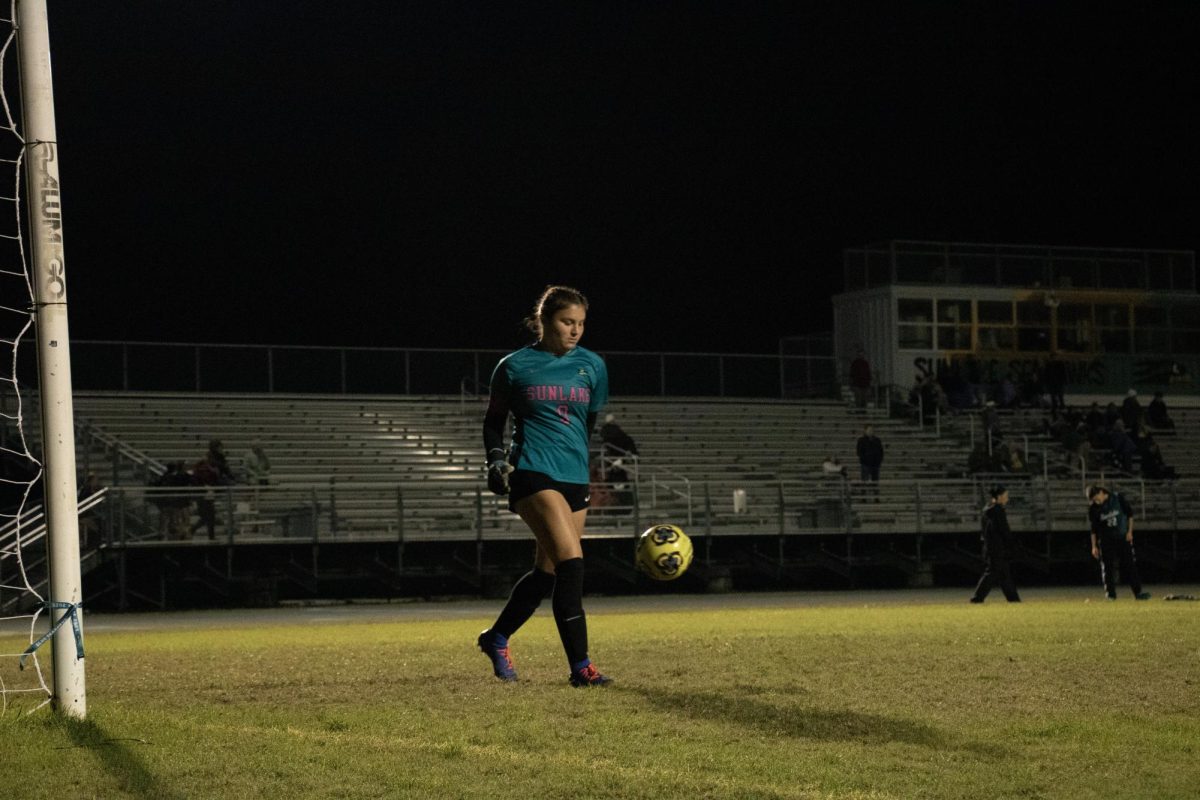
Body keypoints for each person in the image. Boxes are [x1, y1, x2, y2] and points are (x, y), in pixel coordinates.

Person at [477, 285, 612, 687]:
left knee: (548, 573)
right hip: (532, 471)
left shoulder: (593, 366)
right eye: (567, 322)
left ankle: (496, 636)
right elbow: (492, 421)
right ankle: (581, 668)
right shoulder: (514, 366)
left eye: (581, 324)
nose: (575, 330)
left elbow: (587, 426)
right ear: (544, 321)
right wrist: (497, 459)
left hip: (573, 475)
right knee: (573, 563)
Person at [1087, 485, 1151, 600]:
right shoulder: (1093, 508)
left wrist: (1130, 532)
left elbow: (1130, 515)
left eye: (1097, 498)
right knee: (1107, 568)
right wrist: (1093, 546)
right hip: (1106, 540)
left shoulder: (1117, 498)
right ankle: (1110, 595)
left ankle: (1138, 593)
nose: (1097, 501)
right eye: (1094, 500)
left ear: (1101, 492)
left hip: (1122, 538)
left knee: (1130, 564)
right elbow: (1093, 529)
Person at [970, 485, 1021, 603]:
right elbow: (1004, 530)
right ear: (999, 497)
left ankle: (1014, 599)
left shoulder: (986, 510)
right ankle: (977, 598)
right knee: (992, 573)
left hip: (989, 547)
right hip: (997, 548)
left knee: (1004, 574)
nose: (1007, 499)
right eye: (1005, 496)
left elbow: (985, 531)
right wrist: (1013, 545)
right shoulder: (998, 511)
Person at [855, 424, 883, 501]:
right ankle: (863, 497)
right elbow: (859, 452)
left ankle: (876, 497)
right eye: (869, 430)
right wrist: (864, 459)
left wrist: (879, 461)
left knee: (875, 481)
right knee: (864, 481)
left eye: (872, 430)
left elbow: (881, 451)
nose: (871, 431)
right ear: (865, 431)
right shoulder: (861, 440)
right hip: (865, 464)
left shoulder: (877, 440)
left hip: (875, 464)